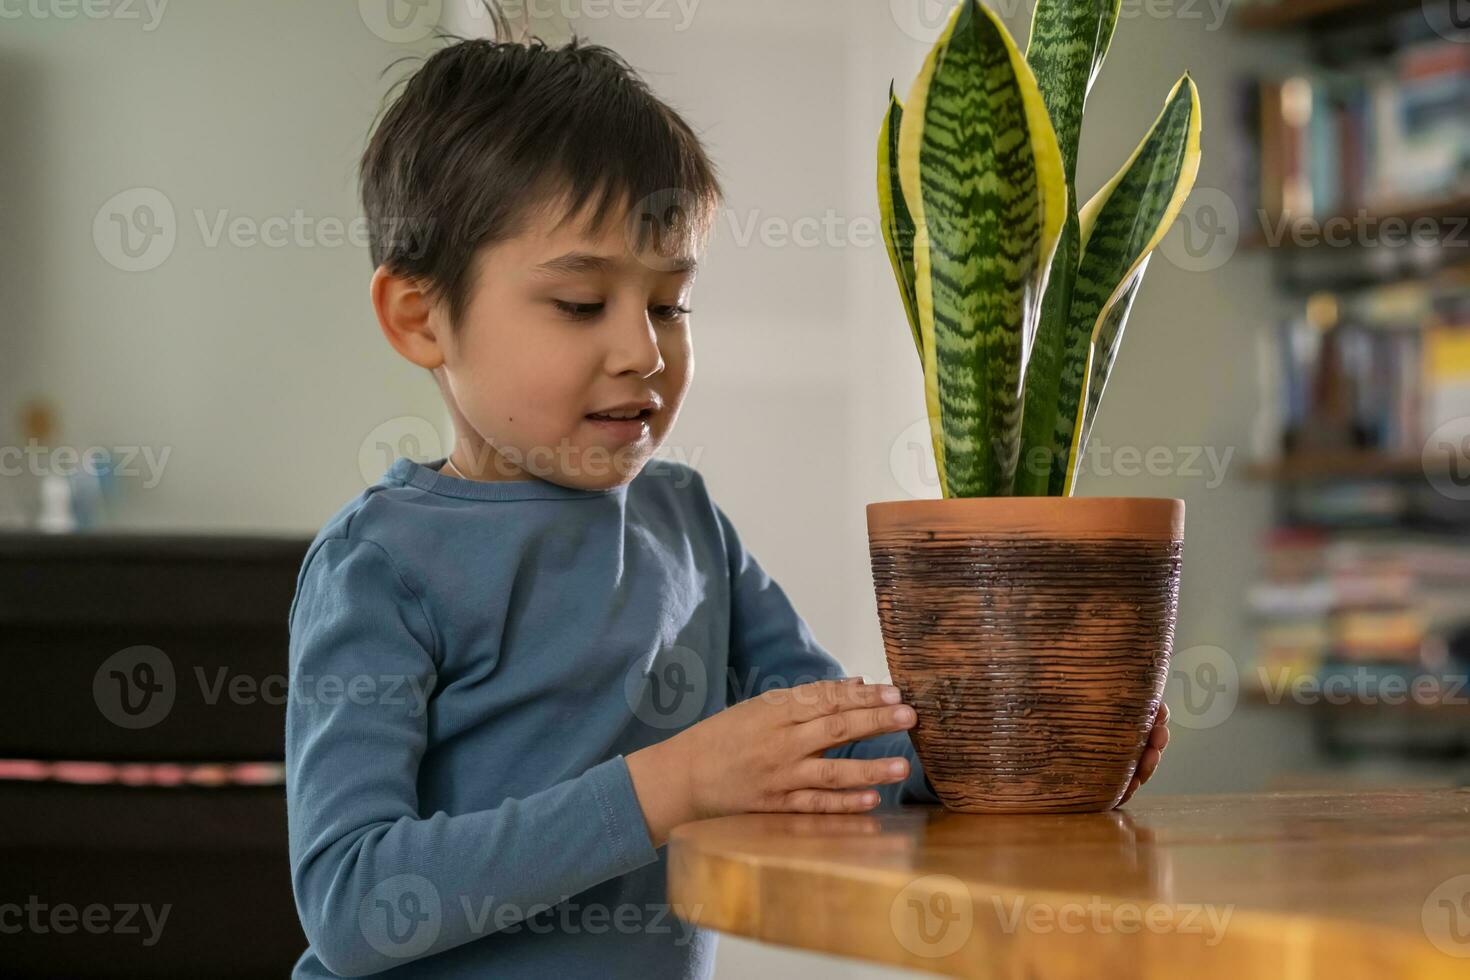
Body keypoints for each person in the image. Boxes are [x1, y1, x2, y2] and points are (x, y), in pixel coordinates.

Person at [285, 11, 1169, 978]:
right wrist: (670, 786)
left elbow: (832, 745)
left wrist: (1029, 750)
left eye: (670, 303)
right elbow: (353, 901)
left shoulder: (686, 522)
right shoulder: (380, 567)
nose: (644, 351)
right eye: (581, 304)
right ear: (419, 318)